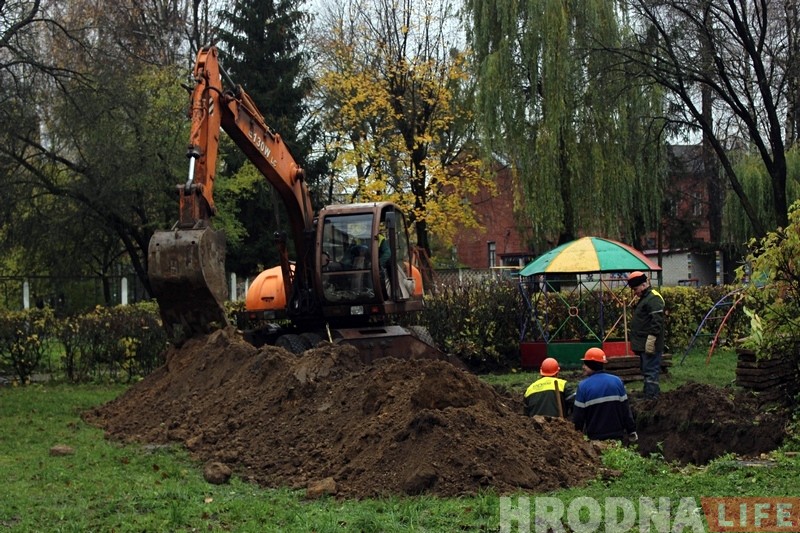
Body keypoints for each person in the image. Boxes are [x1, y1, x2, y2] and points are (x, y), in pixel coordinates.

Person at [572, 347, 637, 442]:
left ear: (592, 364)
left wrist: (576, 438)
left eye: (585, 364)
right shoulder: (617, 381)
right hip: (617, 437)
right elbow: (625, 410)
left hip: (595, 439)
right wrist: (631, 430)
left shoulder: (583, 386)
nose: (583, 367)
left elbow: (578, 417)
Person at [627, 271, 665, 400]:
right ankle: (651, 394)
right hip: (643, 343)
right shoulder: (645, 298)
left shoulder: (654, 298)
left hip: (650, 343)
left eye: (636, 289)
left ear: (644, 285)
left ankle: (651, 398)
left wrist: (652, 338)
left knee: (650, 371)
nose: (635, 292)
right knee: (647, 370)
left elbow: (657, 320)